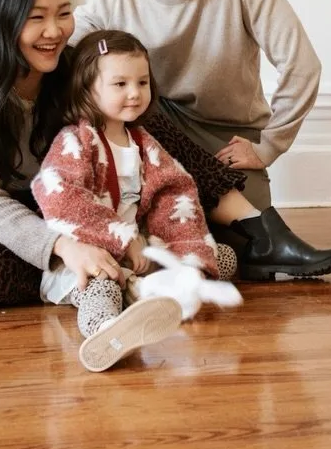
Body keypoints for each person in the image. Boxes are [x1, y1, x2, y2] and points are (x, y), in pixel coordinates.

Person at [0, 0, 263, 361]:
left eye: (63, 14)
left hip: (70, 210)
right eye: (35, 17)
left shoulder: (65, 70)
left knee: (133, 103)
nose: (54, 31)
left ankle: (257, 229)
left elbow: (123, 76)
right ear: (0, 19)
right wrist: (65, 246)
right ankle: (129, 276)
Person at [69, 0, 331, 282]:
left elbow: (303, 65)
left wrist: (269, 145)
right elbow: (57, 36)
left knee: (241, 252)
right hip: (157, 136)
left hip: (229, 142)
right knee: (131, 99)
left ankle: (198, 238)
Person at [31, 29, 240, 371]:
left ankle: (160, 294)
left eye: (142, 83)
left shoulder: (145, 144)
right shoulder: (76, 141)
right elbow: (61, 198)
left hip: (137, 253)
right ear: (87, 88)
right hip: (88, 257)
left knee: (221, 257)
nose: (134, 93)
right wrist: (123, 240)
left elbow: (175, 195)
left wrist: (187, 254)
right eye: (120, 84)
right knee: (102, 288)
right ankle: (107, 332)